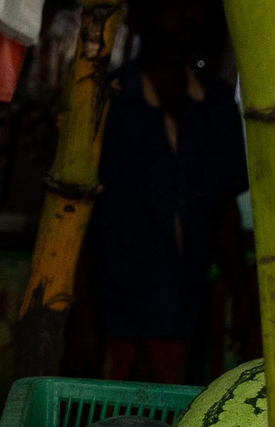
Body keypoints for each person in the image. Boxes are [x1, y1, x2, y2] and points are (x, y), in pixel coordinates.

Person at [88, 0, 248, 382]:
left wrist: (245, 296)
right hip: (113, 315)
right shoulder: (105, 100)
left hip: (185, 311)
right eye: (173, 4)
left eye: (195, 6)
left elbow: (224, 210)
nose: (188, 16)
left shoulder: (217, 104)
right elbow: (81, 224)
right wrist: (81, 320)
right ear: (139, 20)